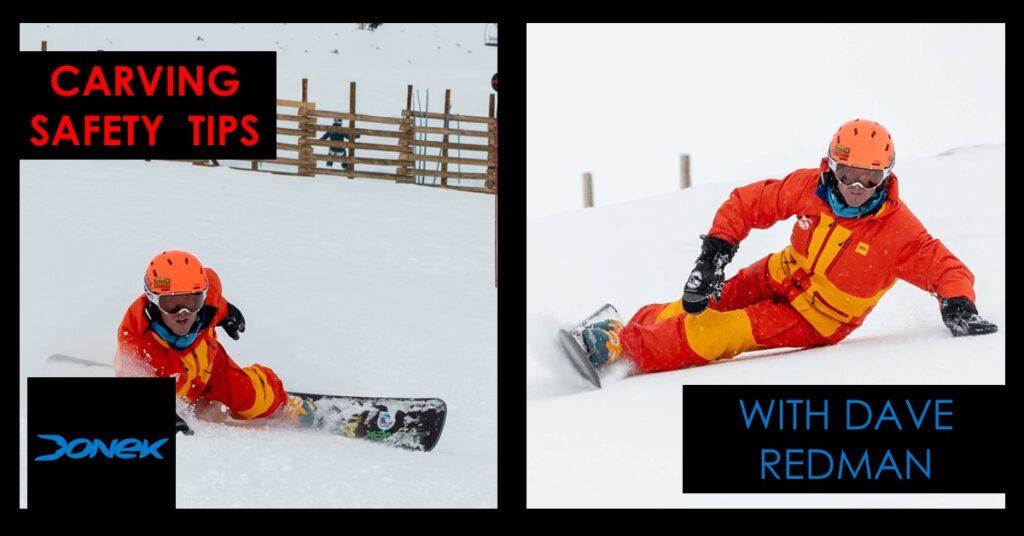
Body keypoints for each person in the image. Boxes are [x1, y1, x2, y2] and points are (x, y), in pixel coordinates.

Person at [582, 119, 998, 374]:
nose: (855, 188)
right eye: (847, 174)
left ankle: (623, 348)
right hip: (776, 273)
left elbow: (946, 269)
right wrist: (713, 256)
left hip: (812, 318)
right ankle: (625, 328)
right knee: (698, 303)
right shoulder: (809, 189)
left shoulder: (897, 229)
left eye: (869, 180)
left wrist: (959, 305)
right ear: (830, 166)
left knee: (718, 332)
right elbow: (749, 203)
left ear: (886, 178)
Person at [115, 250, 315, 426]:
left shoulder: (208, 304)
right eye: (171, 304)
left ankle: (284, 403)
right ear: (153, 300)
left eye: (192, 301)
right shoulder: (137, 337)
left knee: (252, 397)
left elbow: (216, 301)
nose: (182, 312)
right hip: (175, 383)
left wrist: (228, 314)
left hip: (213, 369)